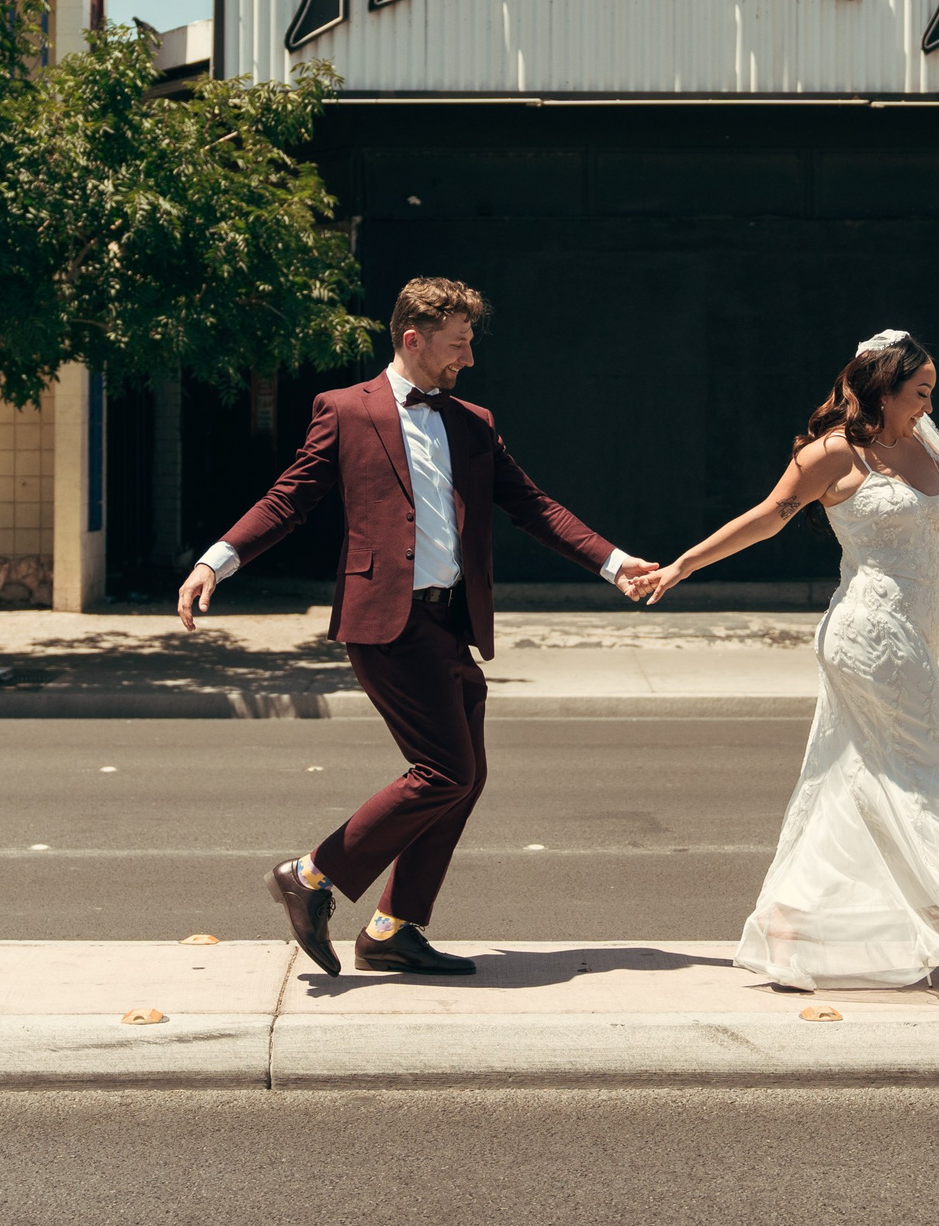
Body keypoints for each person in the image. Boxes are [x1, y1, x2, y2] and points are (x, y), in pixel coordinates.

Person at [176, 277, 656, 976]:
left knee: (467, 775)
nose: (469, 356)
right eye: (458, 342)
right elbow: (288, 499)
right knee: (445, 770)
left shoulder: (473, 421)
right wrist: (216, 561)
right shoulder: (346, 410)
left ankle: (392, 928)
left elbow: (534, 506)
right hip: (386, 621)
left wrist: (613, 563)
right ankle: (310, 875)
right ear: (413, 338)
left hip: (451, 620)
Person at [636, 329, 939, 988]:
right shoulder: (834, 452)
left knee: (862, 773)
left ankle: (791, 917)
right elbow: (768, 516)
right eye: (920, 392)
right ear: (883, 388)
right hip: (868, 631)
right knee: (927, 772)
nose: (928, 405)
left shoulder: (927, 450)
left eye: (931, 393)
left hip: (916, 629)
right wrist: (682, 564)